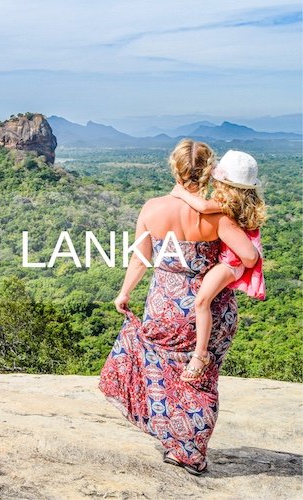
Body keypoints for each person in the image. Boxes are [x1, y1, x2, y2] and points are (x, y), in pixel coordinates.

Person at [98, 138, 259, 476]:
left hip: (164, 302)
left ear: (174, 168)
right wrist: (233, 273)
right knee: (201, 377)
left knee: (164, 372)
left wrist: (124, 292)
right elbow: (248, 255)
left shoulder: (152, 208)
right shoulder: (217, 215)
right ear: (210, 170)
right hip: (210, 305)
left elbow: (141, 259)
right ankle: (191, 451)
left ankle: (176, 441)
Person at [170, 150, 266, 383]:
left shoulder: (225, 205)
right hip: (231, 261)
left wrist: (180, 192)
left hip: (230, 263)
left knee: (201, 301)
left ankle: (199, 355)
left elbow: (202, 207)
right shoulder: (240, 202)